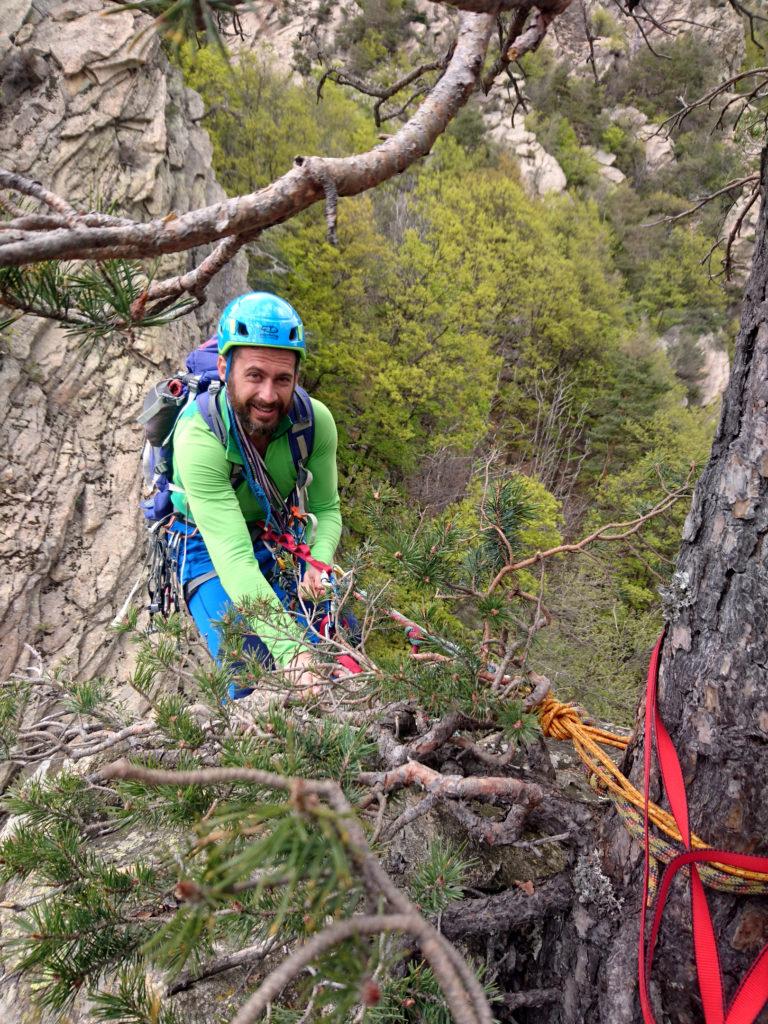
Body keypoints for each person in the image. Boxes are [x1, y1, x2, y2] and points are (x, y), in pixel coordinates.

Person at [167, 291, 345, 699]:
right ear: (224, 368)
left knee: (336, 655)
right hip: (205, 544)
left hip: (274, 530)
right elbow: (233, 558)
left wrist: (320, 561)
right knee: (255, 675)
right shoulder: (200, 436)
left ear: (297, 377)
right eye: (254, 376)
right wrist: (291, 651)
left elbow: (326, 508)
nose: (268, 394)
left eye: (283, 379)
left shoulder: (313, 423)